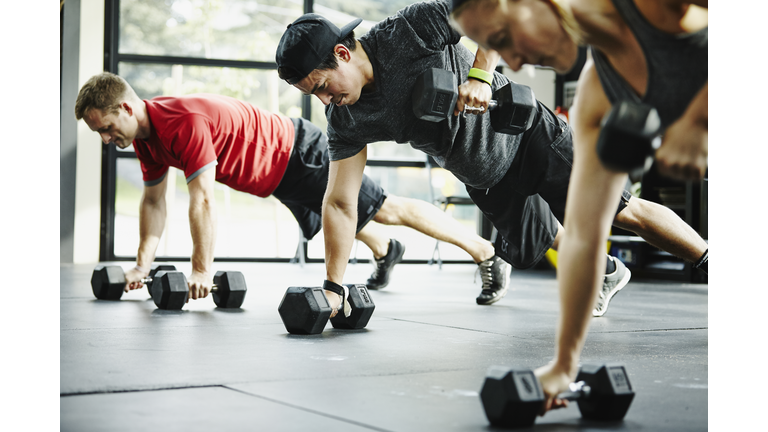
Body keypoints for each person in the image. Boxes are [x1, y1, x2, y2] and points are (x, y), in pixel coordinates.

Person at [274, 0, 706, 321]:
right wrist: (333, 287)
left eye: (323, 86)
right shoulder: (347, 119)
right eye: (314, 95)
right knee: (532, 245)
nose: (325, 100)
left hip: (527, 138)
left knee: (621, 212)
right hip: (482, 175)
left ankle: (710, 261)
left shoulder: (407, 31)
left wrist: (480, 74)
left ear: (344, 54)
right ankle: (607, 272)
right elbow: (340, 202)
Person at [450, 0, 707, 415]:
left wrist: (700, 117)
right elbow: (585, 235)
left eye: (501, 40)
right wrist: (563, 365)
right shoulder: (597, 92)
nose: (512, 62)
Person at [74, 72, 500, 300]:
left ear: (127, 107)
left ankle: (486, 253)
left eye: (108, 128)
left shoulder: (182, 123)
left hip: (298, 153)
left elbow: (202, 200)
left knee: (384, 207)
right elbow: (152, 202)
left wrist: (202, 269)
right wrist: (142, 265)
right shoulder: (146, 139)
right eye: (101, 135)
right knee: (347, 218)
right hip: (278, 177)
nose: (108, 140)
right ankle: (386, 249)